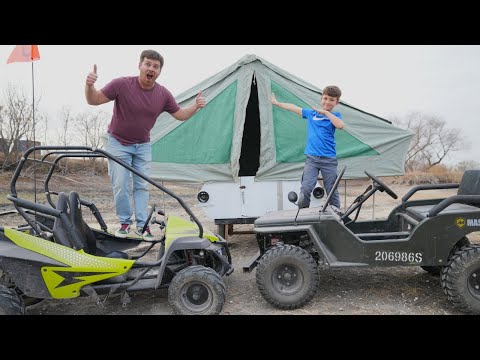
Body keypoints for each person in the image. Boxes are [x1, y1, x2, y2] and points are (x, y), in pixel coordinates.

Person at [85, 49, 205, 240]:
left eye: (155, 67)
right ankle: (125, 223)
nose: (151, 69)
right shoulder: (122, 84)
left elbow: (180, 115)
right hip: (118, 143)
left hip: (142, 146)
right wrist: (89, 85)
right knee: (121, 184)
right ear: (140, 66)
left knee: (141, 186)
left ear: (159, 72)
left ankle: (142, 226)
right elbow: (94, 100)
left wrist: (196, 106)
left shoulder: (163, 94)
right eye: (147, 64)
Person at [270, 86, 344, 209]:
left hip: (329, 160)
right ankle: (303, 213)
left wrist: (326, 112)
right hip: (312, 159)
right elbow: (294, 107)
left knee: (331, 189)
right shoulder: (311, 114)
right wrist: (277, 103)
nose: (327, 102)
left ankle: (337, 214)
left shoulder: (335, 116)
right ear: (321, 98)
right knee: (306, 187)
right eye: (325, 98)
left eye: (331, 100)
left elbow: (340, 125)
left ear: (337, 102)